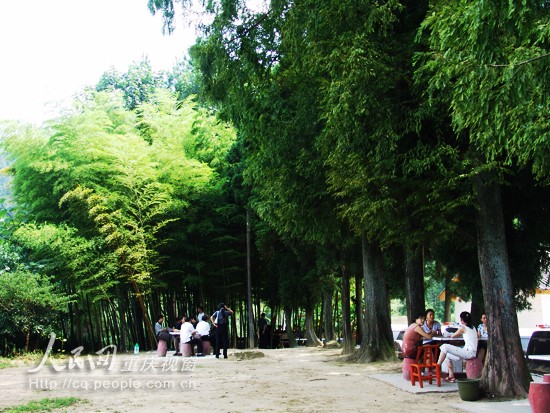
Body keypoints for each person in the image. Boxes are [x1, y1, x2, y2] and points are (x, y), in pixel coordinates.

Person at [436, 311, 478, 383]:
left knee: (444, 346)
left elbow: (453, 336)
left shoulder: (462, 328)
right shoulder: (473, 327)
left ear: (461, 320)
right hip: (470, 352)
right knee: (447, 356)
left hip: (468, 353)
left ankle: (437, 366)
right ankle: (451, 376)